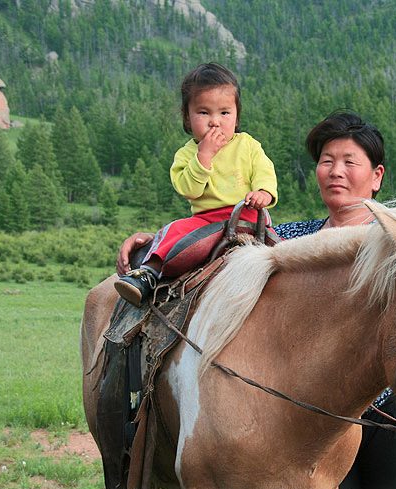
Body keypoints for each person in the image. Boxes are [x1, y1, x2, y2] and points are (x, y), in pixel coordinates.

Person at [116, 111, 396, 489]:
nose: (336, 171)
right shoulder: (289, 241)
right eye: (326, 160)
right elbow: (222, 241)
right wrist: (156, 245)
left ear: (376, 176)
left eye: (349, 161)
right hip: (320, 426)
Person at [115, 62, 277, 307]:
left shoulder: (248, 145)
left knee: (287, 255)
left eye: (224, 113)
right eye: (204, 113)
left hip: (250, 219)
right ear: (187, 117)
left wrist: (264, 192)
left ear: (236, 115)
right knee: (176, 234)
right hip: (207, 221)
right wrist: (204, 156)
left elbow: (265, 171)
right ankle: (147, 274)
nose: (215, 122)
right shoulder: (186, 154)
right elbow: (189, 189)